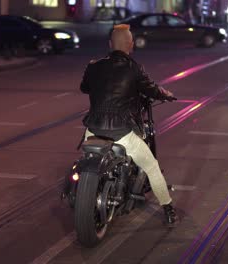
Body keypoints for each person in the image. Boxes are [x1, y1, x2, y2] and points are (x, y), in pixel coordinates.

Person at [79, 24, 179, 226]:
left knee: (84, 158)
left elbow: (84, 88)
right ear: (131, 45)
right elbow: (151, 90)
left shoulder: (94, 66)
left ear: (110, 44)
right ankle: (168, 209)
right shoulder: (134, 68)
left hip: (93, 129)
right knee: (152, 167)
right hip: (121, 132)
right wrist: (165, 94)